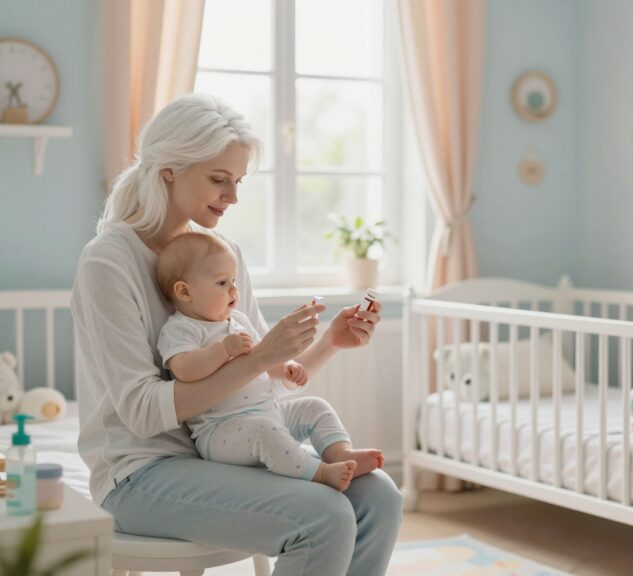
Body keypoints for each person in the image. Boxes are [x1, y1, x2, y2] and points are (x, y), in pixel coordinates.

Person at [71, 93, 402, 576]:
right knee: (324, 515)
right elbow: (142, 413)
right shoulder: (109, 262)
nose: (232, 196)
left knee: (380, 497)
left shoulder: (222, 255)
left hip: (225, 447)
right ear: (169, 170)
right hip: (140, 474)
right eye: (218, 179)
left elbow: (261, 383)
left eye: (238, 181)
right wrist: (253, 359)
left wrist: (330, 340)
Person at [155, 231, 384, 491]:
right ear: (184, 291)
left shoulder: (238, 321)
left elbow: (261, 357)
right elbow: (184, 369)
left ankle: (341, 452)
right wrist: (222, 350)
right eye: (221, 283)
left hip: (268, 411)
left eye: (233, 280)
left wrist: (284, 369)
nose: (233, 289)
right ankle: (319, 472)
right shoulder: (181, 329)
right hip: (221, 431)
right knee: (266, 433)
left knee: (315, 407)